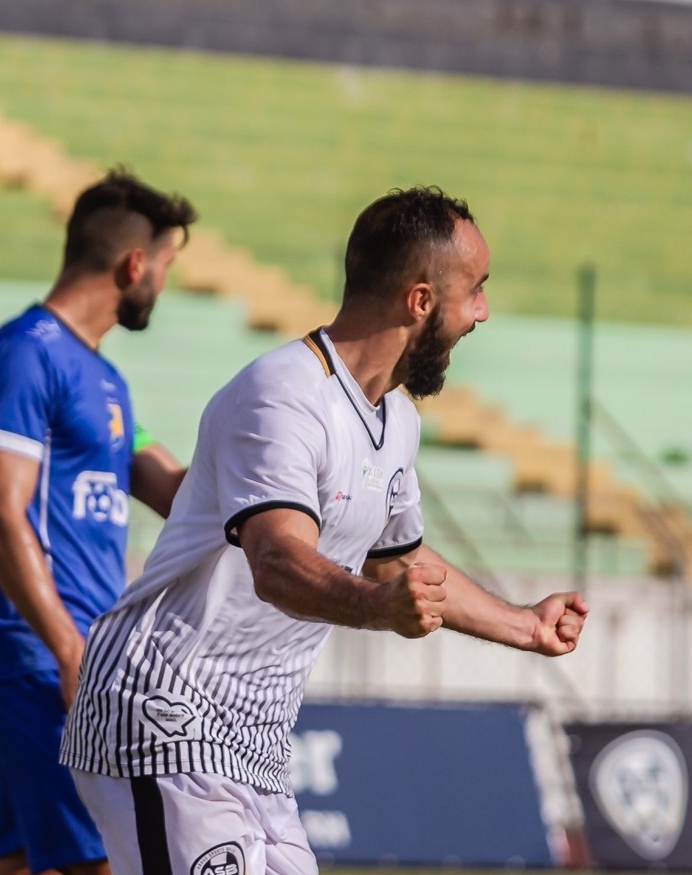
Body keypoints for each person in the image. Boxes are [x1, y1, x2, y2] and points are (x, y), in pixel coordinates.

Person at [60, 186, 588, 874]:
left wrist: (523, 624)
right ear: (420, 300)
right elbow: (277, 560)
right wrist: (376, 609)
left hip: (253, 742)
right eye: (477, 289)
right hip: (164, 715)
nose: (483, 312)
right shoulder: (282, 394)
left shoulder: (397, 420)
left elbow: (395, 564)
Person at [0, 169, 196, 875]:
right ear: (134, 265)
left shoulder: (103, 378)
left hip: (74, 660)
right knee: (103, 863)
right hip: (43, 657)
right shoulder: (25, 352)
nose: (164, 281)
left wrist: (273, 494)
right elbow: (0, 517)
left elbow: (170, 484)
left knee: (22, 864)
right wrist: (70, 650)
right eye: (165, 265)